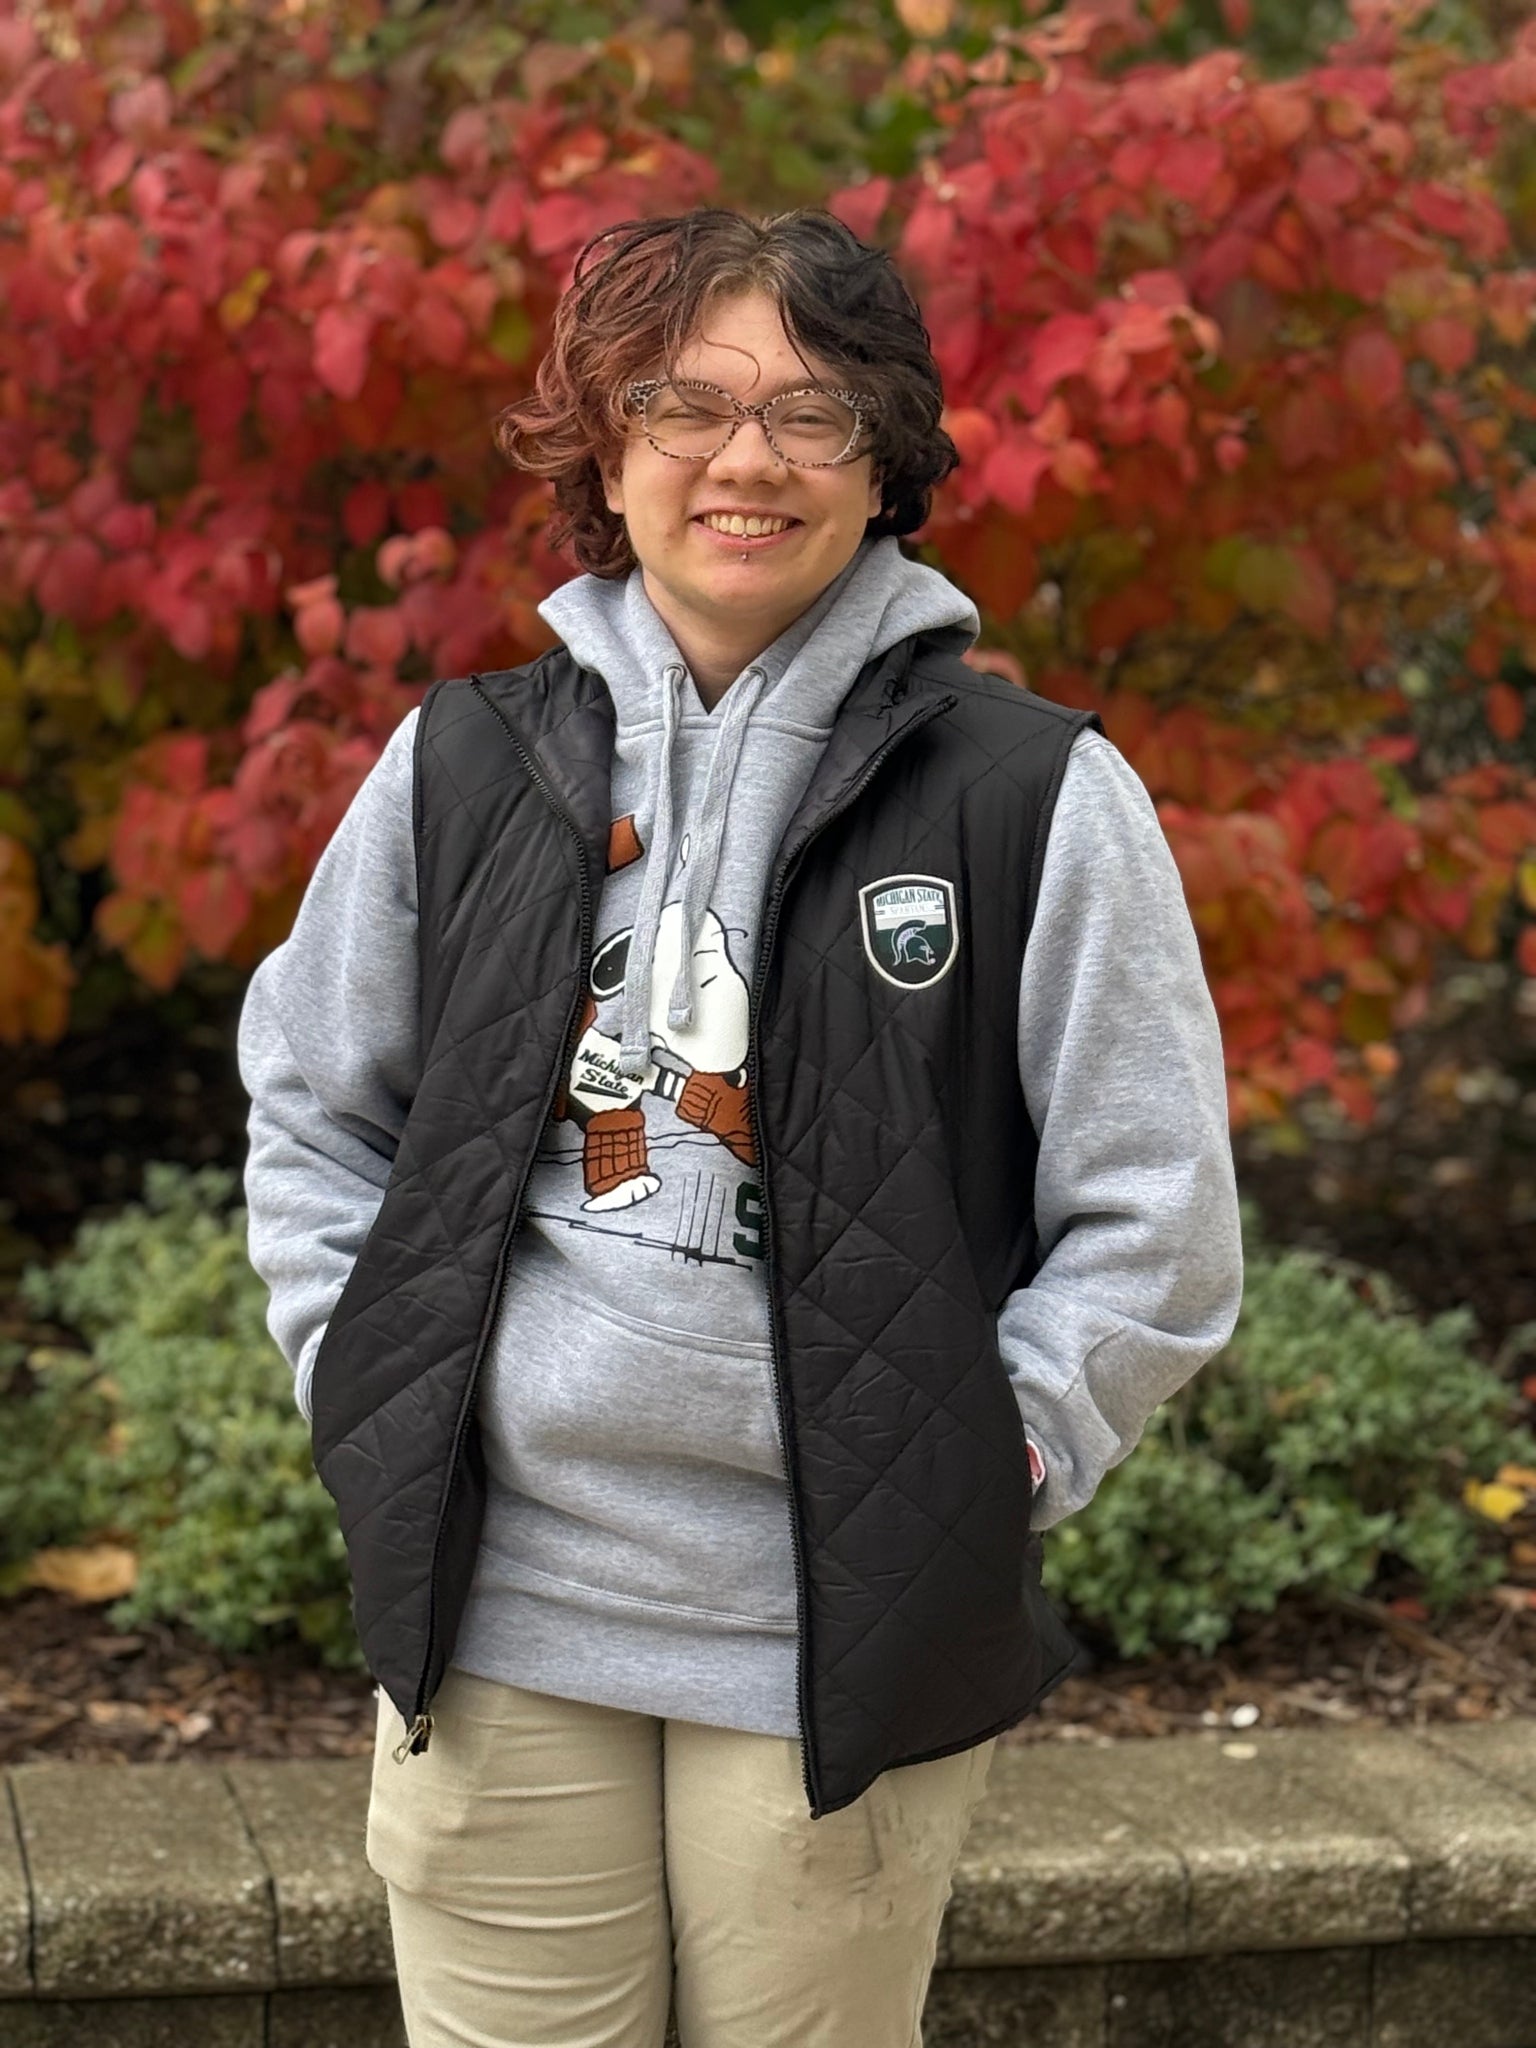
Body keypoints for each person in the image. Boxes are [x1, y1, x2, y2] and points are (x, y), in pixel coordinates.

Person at [238, 205, 1243, 2048]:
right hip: (497, 1616)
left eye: (813, 411)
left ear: (888, 460)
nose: (746, 461)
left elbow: (1155, 1217)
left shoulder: (1036, 797)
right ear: (603, 450)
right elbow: (313, 1107)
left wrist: (987, 1459)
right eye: (681, 402)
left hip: (832, 1637)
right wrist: (352, 1370)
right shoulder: (463, 763)